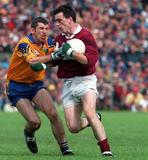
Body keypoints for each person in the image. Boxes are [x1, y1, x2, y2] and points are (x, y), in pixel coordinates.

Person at [29, 5, 113, 157]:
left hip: (85, 80)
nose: (57, 24)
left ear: (70, 19)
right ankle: (93, 119)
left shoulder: (86, 36)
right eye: (56, 21)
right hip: (68, 84)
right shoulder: (59, 39)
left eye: (59, 21)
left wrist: (71, 52)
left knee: (89, 112)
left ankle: (106, 150)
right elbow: (55, 61)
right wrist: (42, 65)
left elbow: (90, 61)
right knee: (73, 127)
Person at [6, 17, 73, 156]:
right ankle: (29, 132)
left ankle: (65, 148)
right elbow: (33, 62)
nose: (44, 32)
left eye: (46, 29)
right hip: (17, 87)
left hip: (35, 85)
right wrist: (54, 56)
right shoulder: (24, 44)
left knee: (53, 114)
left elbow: (54, 61)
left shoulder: (49, 43)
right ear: (32, 30)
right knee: (35, 122)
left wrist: (63, 55)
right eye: (41, 29)